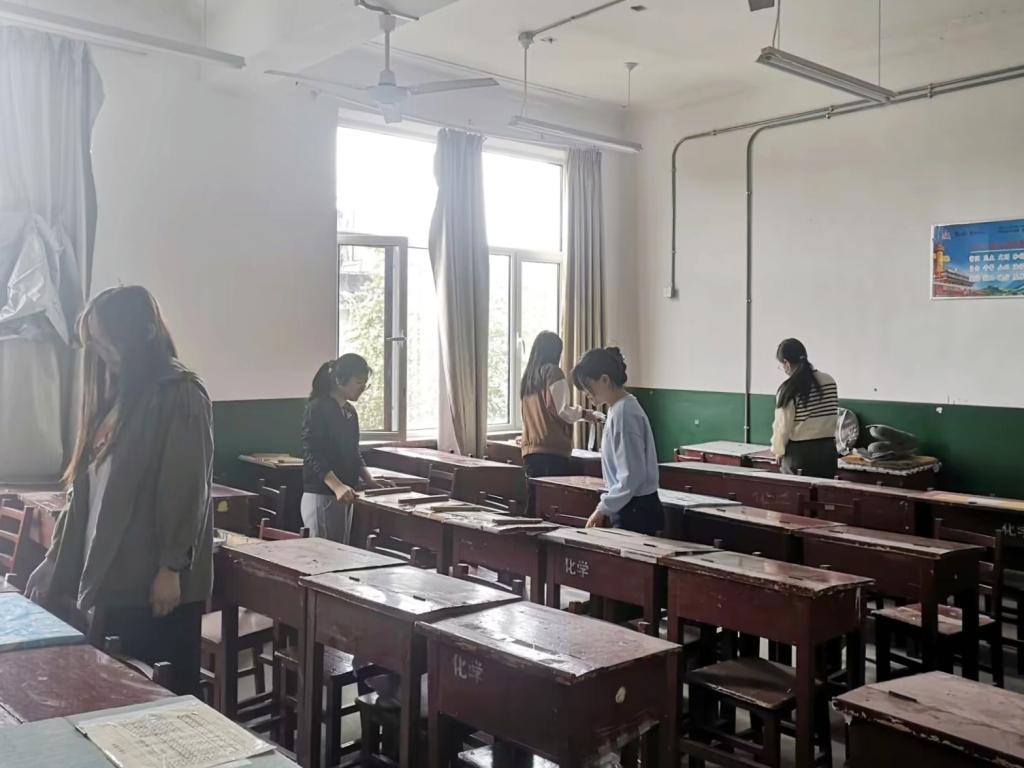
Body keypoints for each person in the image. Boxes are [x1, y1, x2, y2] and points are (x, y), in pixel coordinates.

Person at [25, 285, 213, 697]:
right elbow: (83, 493)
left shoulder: (180, 393)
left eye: (106, 341)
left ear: (140, 335)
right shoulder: (117, 396)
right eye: (93, 342)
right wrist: (55, 559)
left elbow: (185, 488)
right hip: (110, 571)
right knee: (107, 687)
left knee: (152, 694)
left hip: (150, 580)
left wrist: (171, 567)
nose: (99, 352)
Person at [570, 347, 663, 534]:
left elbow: (631, 477)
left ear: (605, 380)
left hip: (637, 510)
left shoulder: (624, 413)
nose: (586, 393)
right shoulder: (618, 409)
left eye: (588, 386)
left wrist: (602, 508)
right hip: (630, 505)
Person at [301, 354, 383, 542]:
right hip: (323, 492)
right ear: (339, 380)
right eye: (358, 382)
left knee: (340, 550)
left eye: (365, 383)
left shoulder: (349, 411)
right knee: (325, 553)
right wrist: (337, 486)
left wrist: (369, 479)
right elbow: (313, 452)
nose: (362, 388)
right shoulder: (318, 408)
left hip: (346, 492)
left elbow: (353, 451)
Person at [519, 331, 600, 484]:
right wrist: (584, 413)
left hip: (530, 450)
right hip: (552, 450)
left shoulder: (528, 377)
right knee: (554, 496)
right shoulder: (553, 372)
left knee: (537, 495)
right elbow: (560, 410)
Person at [771, 338, 839, 478]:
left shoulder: (788, 388)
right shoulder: (829, 380)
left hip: (800, 455)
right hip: (828, 452)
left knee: (796, 492)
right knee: (824, 491)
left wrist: (778, 451)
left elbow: (782, 427)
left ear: (786, 363)